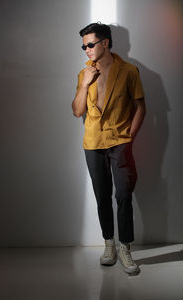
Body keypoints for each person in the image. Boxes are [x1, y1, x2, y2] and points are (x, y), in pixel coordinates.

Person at [72, 23, 145, 274]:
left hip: (119, 142)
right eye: (83, 46)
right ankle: (109, 244)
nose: (87, 50)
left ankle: (125, 247)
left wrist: (129, 138)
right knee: (102, 196)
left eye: (90, 44)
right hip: (92, 144)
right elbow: (77, 111)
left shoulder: (129, 71)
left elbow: (140, 108)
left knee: (123, 195)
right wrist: (85, 84)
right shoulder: (84, 74)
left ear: (105, 43)